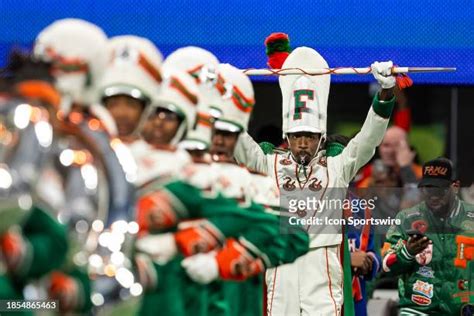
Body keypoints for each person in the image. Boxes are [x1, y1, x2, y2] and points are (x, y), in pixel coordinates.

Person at [234, 35, 399, 314]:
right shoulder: (268, 162)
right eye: (297, 136)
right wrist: (219, 92)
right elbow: (238, 141)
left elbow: (368, 140)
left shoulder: (337, 165)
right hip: (281, 263)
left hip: (322, 267)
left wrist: (385, 92)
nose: (302, 143)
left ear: (320, 136)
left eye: (309, 137)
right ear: (287, 134)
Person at [382, 157, 474, 315]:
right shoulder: (407, 218)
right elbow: (386, 265)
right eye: (428, 189)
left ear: (456, 186)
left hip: (462, 310)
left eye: (440, 190)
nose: (433, 195)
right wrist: (407, 252)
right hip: (417, 309)